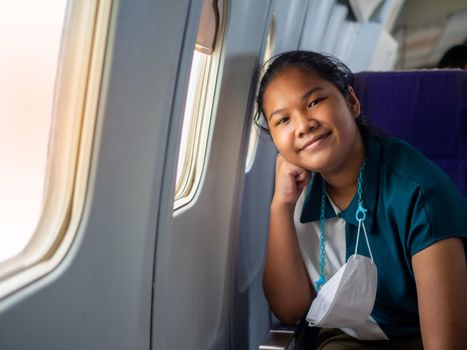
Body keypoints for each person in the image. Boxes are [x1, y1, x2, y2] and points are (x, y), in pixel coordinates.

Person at [255, 50, 467, 349]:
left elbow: (446, 343)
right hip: (351, 335)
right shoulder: (299, 193)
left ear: (352, 101)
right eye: (283, 120)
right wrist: (281, 206)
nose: (304, 125)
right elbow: (291, 309)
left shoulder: (418, 191)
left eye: (314, 102)